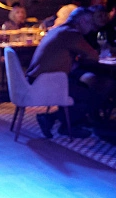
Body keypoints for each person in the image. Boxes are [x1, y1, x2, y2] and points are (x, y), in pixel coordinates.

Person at [27, 7, 100, 138]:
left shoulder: (59, 30)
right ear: (82, 21)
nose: (92, 27)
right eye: (90, 23)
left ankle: (73, 120)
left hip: (35, 79)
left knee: (78, 85)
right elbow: (94, 55)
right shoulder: (71, 33)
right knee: (91, 95)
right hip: (46, 83)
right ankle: (58, 122)